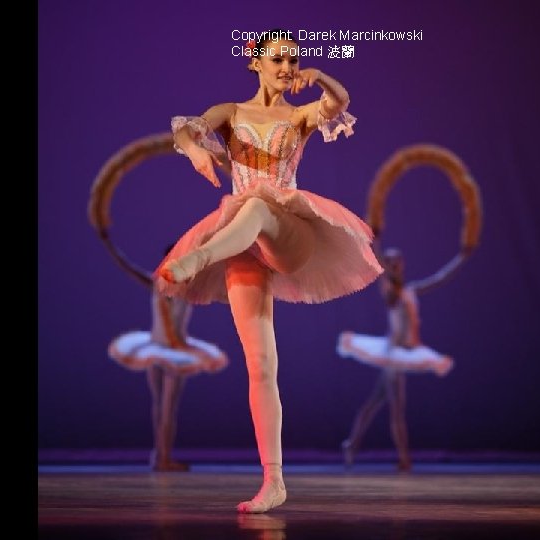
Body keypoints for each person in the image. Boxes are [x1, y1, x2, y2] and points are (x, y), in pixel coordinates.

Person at [153, 29, 383, 513]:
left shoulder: (298, 116)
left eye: (293, 60)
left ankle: (199, 258)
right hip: (241, 244)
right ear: (254, 62)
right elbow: (188, 128)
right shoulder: (231, 113)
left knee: (257, 203)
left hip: (288, 233)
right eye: (277, 59)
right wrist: (195, 149)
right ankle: (273, 481)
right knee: (261, 365)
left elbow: (340, 101)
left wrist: (321, 75)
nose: (286, 68)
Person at [337, 235, 468, 471]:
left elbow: (440, 278)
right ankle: (403, 458)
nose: (394, 264)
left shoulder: (411, 290)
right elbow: (379, 266)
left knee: (375, 403)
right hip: (394, 355)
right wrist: (375, 241)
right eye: (390, 261)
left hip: (408, 352)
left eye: (397, 260)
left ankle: (352, 444)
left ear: (403, 263)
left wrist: (461, 257)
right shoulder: (390, 289)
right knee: (395, 407)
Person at [108, 244, 229, 472]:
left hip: (175, 352)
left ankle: (163, 456)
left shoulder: (189, 287)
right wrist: (109, 246)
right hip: (157, 349)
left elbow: (214, 279)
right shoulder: (158, 284)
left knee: (166, 408)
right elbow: (128, 267)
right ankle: (160, 457)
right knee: (160, 407)